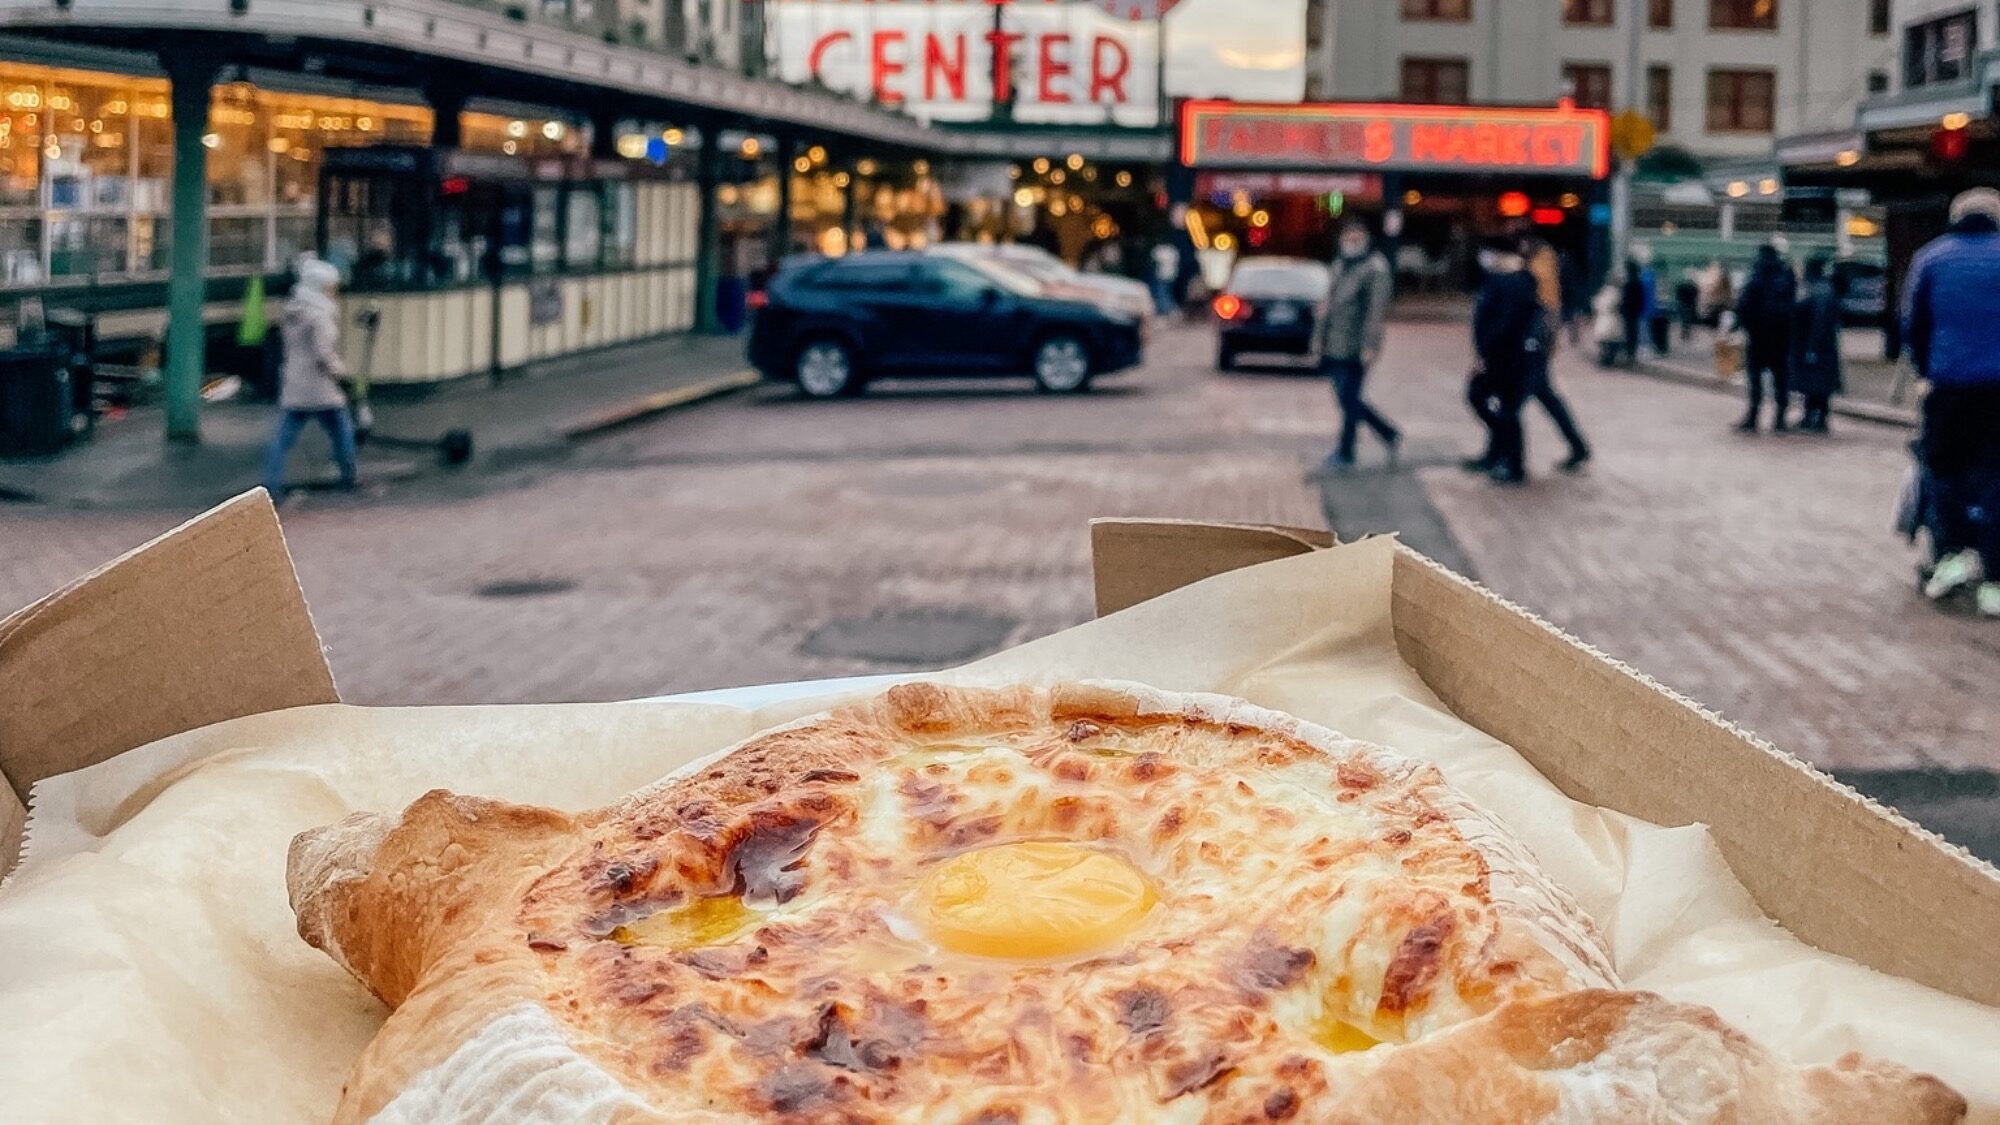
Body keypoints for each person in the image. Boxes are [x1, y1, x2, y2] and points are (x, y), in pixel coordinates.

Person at [1903, 188, 2000, 617]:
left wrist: (1929, 370)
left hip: (1950, 387)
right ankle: (1995, 579)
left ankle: (1951, 556)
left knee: (1945, 473)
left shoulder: (1931, 257)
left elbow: (1913, 323)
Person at [262, 257, 359, 500]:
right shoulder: (320, 315)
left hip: (295, 383)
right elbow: (323, 353)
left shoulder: (293, 310)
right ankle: (349, 475)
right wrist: (341, 374)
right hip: (321, 387)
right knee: (342, 429)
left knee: (283, 439)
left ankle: (271, 485)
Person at [1315, 219, 1400, 471]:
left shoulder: (1375, 269)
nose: (1351, 242)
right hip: (1334, 344)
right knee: (1347, 398)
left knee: (1349, 398)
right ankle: (1387, 432)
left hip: (1355, 346)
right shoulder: (1340, 265)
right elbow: (1328, 305)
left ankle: (1347, 450)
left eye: (1357, 237)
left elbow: (1375, 312)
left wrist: (1369, 346)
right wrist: (1319, 340)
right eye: (1348, 236)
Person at [1465, 236, 1542, 485]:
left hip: (1510, 357)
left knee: (1508, 409)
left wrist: (1486, 351)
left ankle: (1514, 465)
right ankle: (1497, 452)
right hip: (1494, 355)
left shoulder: (1518, 281)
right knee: (1478, 397)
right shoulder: (1497, 279)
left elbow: (1505, 323)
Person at [1517, 230, 1592, 471]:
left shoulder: (1541, 265)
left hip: (1536, 343)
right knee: (1543, 398)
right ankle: (1577, 446)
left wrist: (1537, 341)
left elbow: (1547, 305)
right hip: (1538, 341)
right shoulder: (1543, 261)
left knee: (1517, 401)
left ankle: (1504, 454)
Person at [1734, 243, 1796, 432]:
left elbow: (1744, 304)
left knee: (1755, 377)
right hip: (1781, 336)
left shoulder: (1756, 276)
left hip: (1758, 335)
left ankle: (1753, 417)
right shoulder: (1786, 275)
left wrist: (1742, 325)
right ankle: (1780, 419)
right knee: (1781, 377)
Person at [1790, 256, 1844, 434]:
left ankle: (1817, 417)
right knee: (1815, 383)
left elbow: (1818, 322)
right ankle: (1812, 416)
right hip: (1821, 345)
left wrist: (1812, 347)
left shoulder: (1817, 289)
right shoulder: (1824, 288)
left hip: (1816, 345)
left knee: (1816, 383)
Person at [1618, 258, 1648, 365]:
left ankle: (1630, 353)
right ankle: (1631, 353)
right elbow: (1641, 298)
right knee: (1633, 332)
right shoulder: (1638, 282)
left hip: (1629, 310)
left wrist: (1622, 308)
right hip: (1634, 310)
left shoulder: (1628, 283)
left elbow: (1624, 298)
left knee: (1629, 332)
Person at [1150, 238, 1181, 315]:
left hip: (1163, 276)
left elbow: (1154, 257)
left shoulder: (1160, 250)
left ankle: (1166, 309)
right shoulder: (1173, 250)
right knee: (1166, 293)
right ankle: (1165, 309)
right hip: (1170, 275)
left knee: (1163, 293)